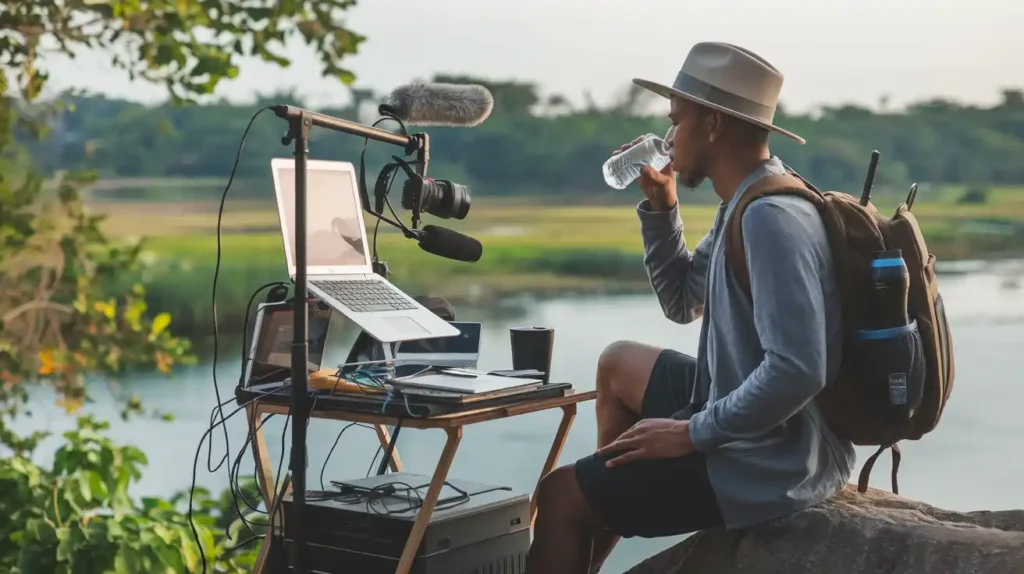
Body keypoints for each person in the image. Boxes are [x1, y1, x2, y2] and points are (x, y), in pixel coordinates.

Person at [526, 42, 857, 574]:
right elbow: (683, 303)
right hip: (743, 409)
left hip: (774, 457)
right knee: (617, 363)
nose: (668, 135)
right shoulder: (746, 198)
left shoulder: (770, 218)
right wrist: (662, 209)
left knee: (560, 497)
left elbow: (799, 369)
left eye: (676, 120)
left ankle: (591, 508)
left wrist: (690, 433)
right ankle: (610, 494)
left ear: (713, 125)